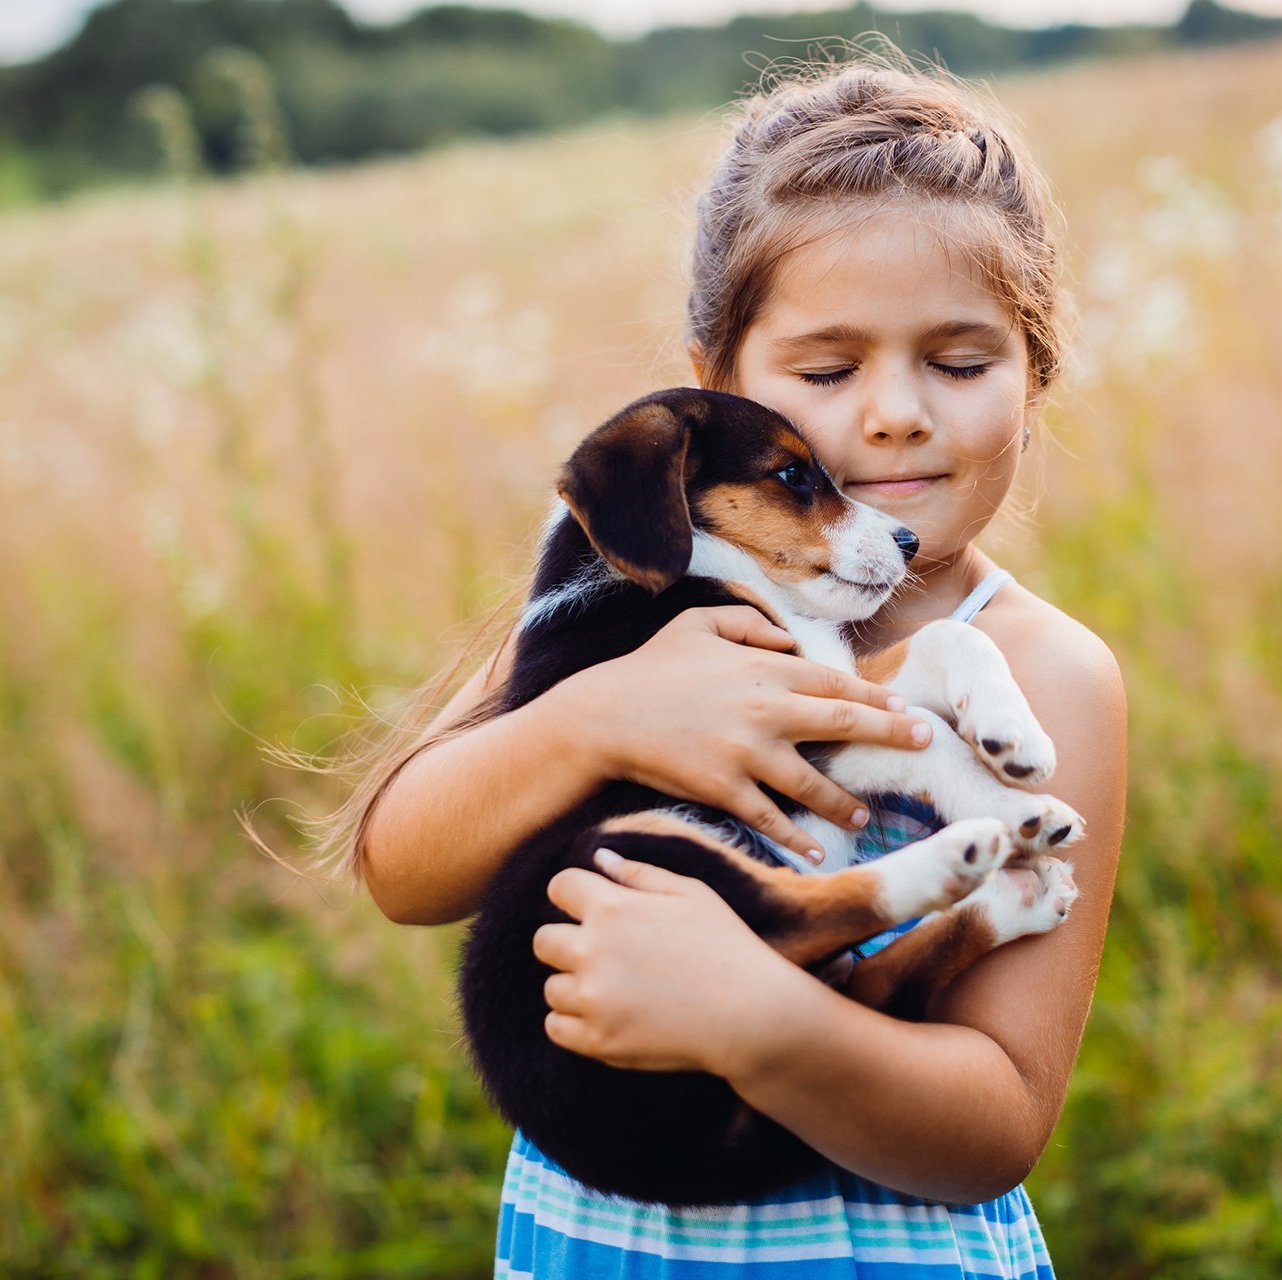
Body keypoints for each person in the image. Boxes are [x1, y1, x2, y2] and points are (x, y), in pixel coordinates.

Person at [317, 49, 1126, 1278]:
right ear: (715, 392)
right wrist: (591, 723)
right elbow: (401, 868)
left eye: (960, 362)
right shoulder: (626, 609)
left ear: (1037, 373)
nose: (898, 412)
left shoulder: (1043, 668)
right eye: (826, 370)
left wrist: (759, 1021)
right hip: (606, 1240)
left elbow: (999, 1123)